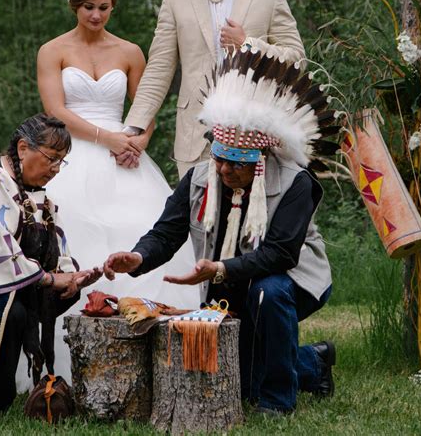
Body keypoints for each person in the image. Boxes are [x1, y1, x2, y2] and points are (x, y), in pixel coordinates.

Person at [105, 49, 339, 417]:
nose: (225, 171)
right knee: (240, 373)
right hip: (227, 280)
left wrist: (220, 270)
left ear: (260, 162)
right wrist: (139, 257)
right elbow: (167, 233)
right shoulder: (200, 177)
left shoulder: (296, 183)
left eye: (237, 164)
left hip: (293, 280)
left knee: (268, 292)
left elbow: (280, 254)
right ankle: (313, 362)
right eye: (219, 159)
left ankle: (276, 402)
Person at [37, 0, 200, 377]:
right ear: (75, 5)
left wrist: (138, 141)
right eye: (88, 7)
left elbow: (146, 105)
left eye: (104, 7)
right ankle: (71, 362)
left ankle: (159, 356)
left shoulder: (129, 52)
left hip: (126, 154)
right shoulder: (53, 51)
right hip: (75, 150)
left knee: (141, 228)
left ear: (113, 7)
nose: (96, 15)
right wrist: (106, 138)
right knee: (77, 232)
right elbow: (55, 110)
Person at [124, 0, 305, 178]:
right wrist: (132, 128)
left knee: (251, 219)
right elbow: (159, 69)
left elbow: (297, 60)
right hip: (195, 136)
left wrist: (249, 44)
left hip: (255, 134)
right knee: (198, 218)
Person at [0, 114, 101, 413]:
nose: (55, 169)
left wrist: (70, 275)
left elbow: (55, 238)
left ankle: (7, 390)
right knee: (13, 311)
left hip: (1, 278)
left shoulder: (34, 192)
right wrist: (50, 279)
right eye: (51, 158)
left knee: (59, 294)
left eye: (62, 161)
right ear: (23, 148)